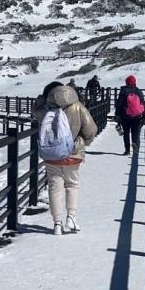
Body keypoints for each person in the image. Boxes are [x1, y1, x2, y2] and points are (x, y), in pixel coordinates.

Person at [33, 81, 97, 235]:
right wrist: (81, 143)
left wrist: (41, 98)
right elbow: (91, 129)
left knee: (54, 188)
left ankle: (57, 224)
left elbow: (35, 112)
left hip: (52, 155)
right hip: (72, 155)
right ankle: (72, 217)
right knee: (72, 185)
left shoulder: (46, 108)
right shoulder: (77, 106)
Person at [115, 75, 145, 156]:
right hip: (137, 116)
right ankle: (135, 150)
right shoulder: (138, 91)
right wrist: (144, 114)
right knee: (135, 134)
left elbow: (119, 104)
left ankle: (127, 150)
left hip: (125, 116)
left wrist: (117, 115)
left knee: (126, 133)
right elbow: (142, 103)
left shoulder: (123, 91)